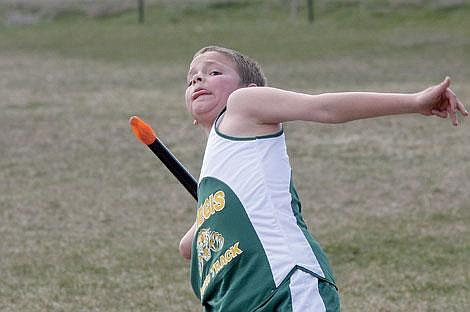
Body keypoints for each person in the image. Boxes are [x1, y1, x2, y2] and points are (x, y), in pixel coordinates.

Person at [178, 46, 467, 312]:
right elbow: (189, 247)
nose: (198, 80)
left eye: (213, 72)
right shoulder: (214, 172)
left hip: (283, 286)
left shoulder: (243, 106)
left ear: (251, 89)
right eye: (191, 79)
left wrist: (415, 101)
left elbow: (324, 108)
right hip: (241, 301)